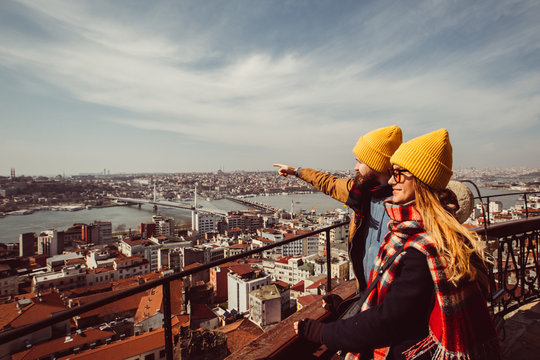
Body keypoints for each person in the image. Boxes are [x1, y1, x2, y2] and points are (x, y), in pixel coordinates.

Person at [294, 129, 500, 360]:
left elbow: (391, 318)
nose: (392, 180)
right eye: (393, 173)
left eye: (400, 174)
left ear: (421, 180)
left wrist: (325, 332)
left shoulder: (422, 247)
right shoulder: (426, 230)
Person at [274, 125, 403, 293]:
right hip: (365, 288)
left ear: (375, 164)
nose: (356, 168)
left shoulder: (403, 203)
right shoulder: (361, 192)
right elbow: (330, 183)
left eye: (359, 161)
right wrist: (296, 171)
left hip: (387, 293)